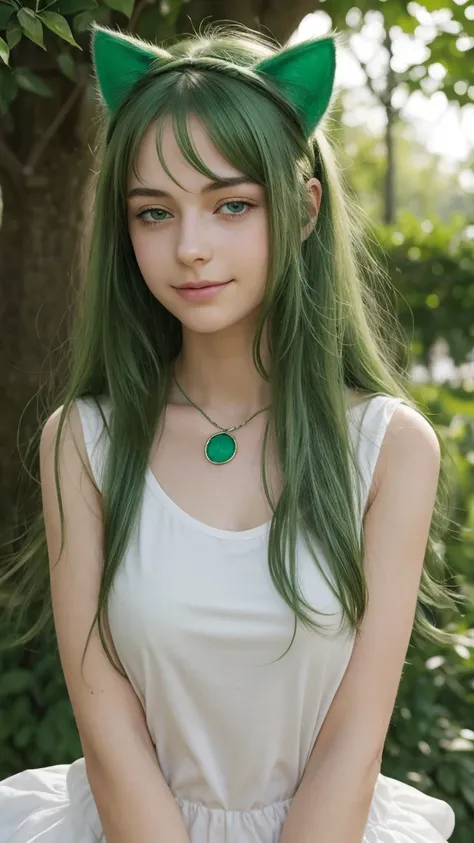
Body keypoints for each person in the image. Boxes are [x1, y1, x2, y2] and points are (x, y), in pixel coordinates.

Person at [0, 20, 461, 843]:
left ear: (305, 206)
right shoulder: (82, 443)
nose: (190, 248)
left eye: (232, 204)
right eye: (153, 213)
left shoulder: (389, 447)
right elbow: (107, 727)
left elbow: (353, 743)